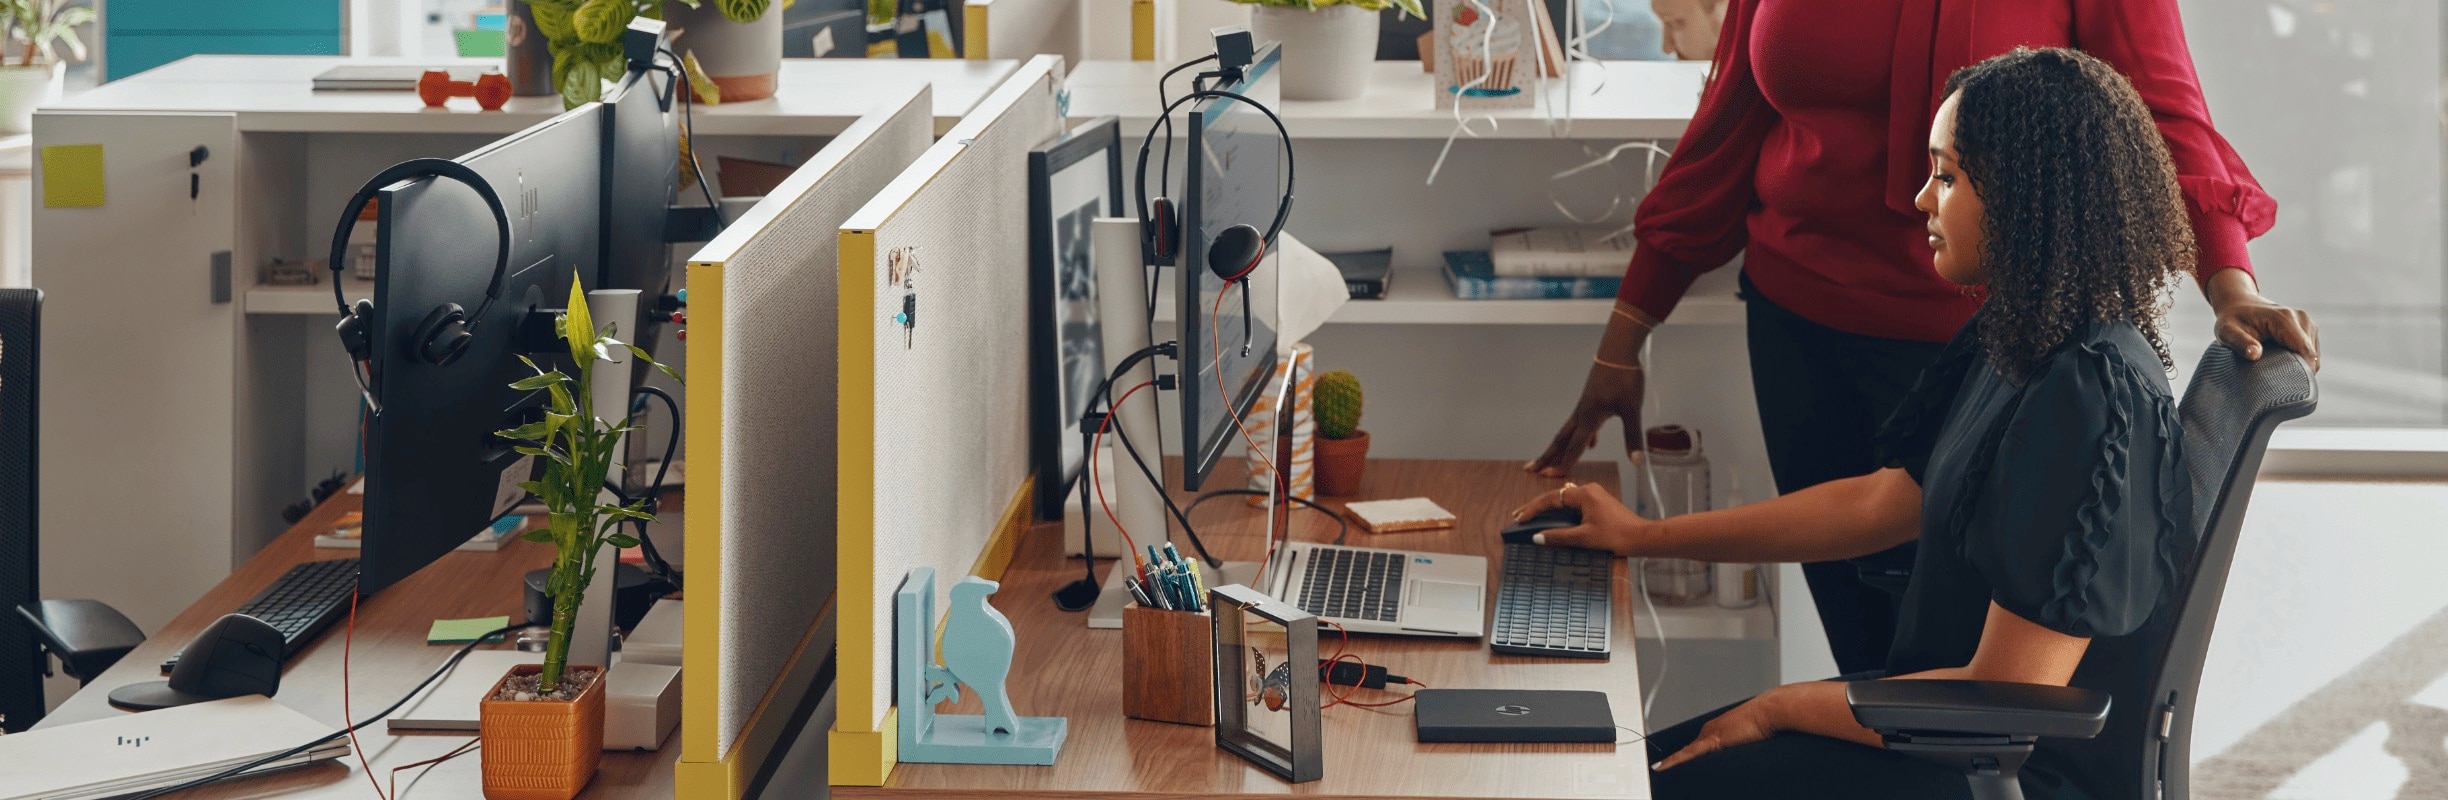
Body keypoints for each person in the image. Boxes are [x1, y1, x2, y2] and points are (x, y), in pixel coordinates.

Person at [1526, 0, 2320, 677]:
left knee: (1964, 677)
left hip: (1996, 349)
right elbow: (1726, 126)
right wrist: (1625, 334)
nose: (1920, 197)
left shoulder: (2080, 389)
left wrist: (2230, 282)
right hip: (1800, 326)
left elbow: (2156, 112)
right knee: (1869, 651)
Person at [1515, 48, 2223, 799]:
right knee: (1617, 771)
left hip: (1999, 765)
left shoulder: (2088, 394)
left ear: (2027, 195)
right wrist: (1642, 537)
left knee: (1619, 784)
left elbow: (2016, 695)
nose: (1922, 199)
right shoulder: (2019, 336)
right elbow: (1879, 502)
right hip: (1935, 729)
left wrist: (1784, 704)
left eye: (1947, 176)